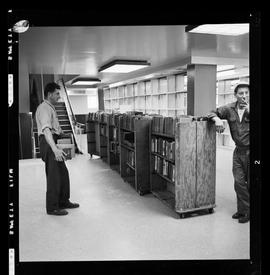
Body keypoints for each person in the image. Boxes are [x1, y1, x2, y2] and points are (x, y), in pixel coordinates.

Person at [208, 82, 250, 223]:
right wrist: (217, 119)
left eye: (246, 93)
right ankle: (243, 210)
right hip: (238, 151)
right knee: (239, 182)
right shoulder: (230, 109)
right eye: (241, 93)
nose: (244, 96)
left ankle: (247, 211)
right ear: (235, 95)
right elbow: (211, 112)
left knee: (251, 183)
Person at [35, 82, 79, 216]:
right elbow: (47, 130)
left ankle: (63, 200)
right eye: (57, 93)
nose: (59, 96)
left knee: (63, 173)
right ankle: (52, 207)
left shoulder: (51, 107)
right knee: (54, 176)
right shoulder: (44, 108)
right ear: (49, 94)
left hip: (54, 141)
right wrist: (54, 149)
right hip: (48, 143)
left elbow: (55, 129)